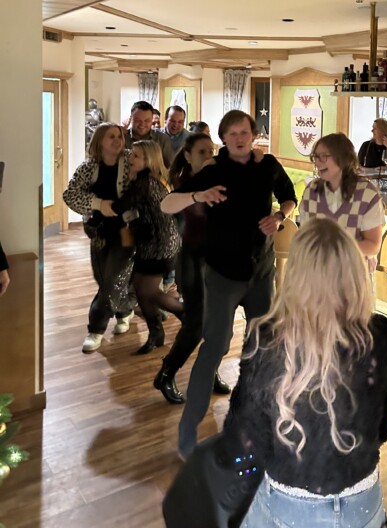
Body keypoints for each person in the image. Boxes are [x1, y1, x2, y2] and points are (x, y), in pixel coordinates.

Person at [224, 218, 387, 528]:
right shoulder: (385, 336)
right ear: (355, 272)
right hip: (362, 503)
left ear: (295, 275)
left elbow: (246, 433)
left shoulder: (266, 339)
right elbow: (386, 425)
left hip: (287, 504)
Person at [161, 110, 297, 458]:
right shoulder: (213, 170)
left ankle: (254, 423)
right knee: (214, 347)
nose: (239, 138)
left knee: (261, 348)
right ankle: (187, 431)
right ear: (223, 138)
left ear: (253, 135)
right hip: (222, 274)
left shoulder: (267, 165)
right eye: (232, 133)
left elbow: (289, 197)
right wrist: (198, 196)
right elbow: (167, 204)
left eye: (244, 132)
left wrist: (280, 216)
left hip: (261, 272)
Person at [153, 133, 230, 403]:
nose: (209, 156)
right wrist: (198, 195)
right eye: (202, 152)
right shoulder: (185, 184)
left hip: (221, 261)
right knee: (196, 324)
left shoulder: (221, 179)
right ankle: (167, 373)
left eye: (212, 151)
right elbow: (168, 206)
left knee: (222, 326)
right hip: (194, 260)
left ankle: (209, 369)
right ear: (187, 156)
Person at [63, 123, 134, 353]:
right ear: (99, 141)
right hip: (99, 232)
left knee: (114, 278)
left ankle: (96, 328)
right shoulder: (88, 167)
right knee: (103, 278)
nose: (117, 140)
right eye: (111, 136)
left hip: (126, 231)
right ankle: (124, 309)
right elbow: (70, 195)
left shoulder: (131, 161)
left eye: (120, 136)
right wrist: (98, 204)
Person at [111, 140, 182, 354]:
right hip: (154, 241)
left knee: (147, 290)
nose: (130, 159)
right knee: (141, 287)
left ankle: (185, 314)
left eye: (136, 156)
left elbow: (119, 207)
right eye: (131, 154)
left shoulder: (145, 182)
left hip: (160, 244)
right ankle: (155, 333)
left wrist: (97, 202)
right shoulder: (154, 178)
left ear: (148, 160)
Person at [298, 133, 384, 272]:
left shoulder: (367, 194)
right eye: (315, 157)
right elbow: (305, 237)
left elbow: (373, 245)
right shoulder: (311, 191)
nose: (317, 163)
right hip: (316, 275)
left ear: (343, 158)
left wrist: (332, 251)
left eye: (323, 156)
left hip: (352, 276)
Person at [124, 100, 173, 167]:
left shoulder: (162, 139)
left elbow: (169, 167)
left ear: (152, 119)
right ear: (131, 119)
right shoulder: (122, 138)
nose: (142, 124)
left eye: (147, 121)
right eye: (138, 120)